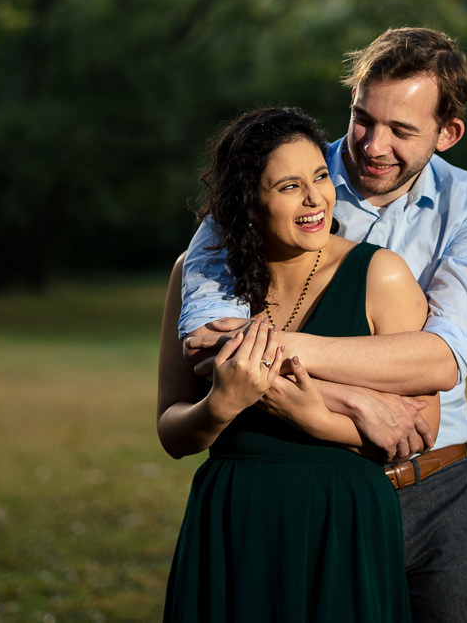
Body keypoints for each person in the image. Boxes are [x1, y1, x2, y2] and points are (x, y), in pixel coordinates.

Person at [179, 27, 467, 623]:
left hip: (437, 487)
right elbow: (208, 338)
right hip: (309, 486)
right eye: (362, 119)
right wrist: (355, 401)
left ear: (448, 133)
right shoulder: (275, 173)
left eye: (403, 130)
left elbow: (440, 357)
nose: (373, 145)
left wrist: (283, 349)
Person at [157, 106, 437, 622]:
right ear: (248, 202)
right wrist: (218, 408)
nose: (315, 200)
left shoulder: (381, 275)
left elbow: (420, 428)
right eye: (289, 187)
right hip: (232, 523)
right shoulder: (196, 280)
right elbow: (173, 432)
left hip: (344, 524)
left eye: (321, 177)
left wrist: (316, 418)